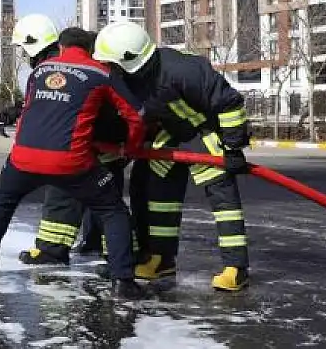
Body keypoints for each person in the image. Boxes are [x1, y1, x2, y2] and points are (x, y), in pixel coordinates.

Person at [0, 14, 147, 299]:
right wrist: (132, 148)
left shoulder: (39, 72)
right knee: (113, 211)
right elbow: (136, 116)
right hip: (72, 161)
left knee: (2, 203)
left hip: (23, 158)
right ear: (92, 49)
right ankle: (122, 280)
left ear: (61, 46)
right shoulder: (102, 73)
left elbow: (31, 109)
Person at [93, 21, 252, 292]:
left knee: (222, 198)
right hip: (173, 135)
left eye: (112, 64)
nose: (109, 69)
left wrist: (234, 147)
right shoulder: (128, 79)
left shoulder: (183, 70)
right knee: (151, 188)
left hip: (207, 134)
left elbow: (229, 102)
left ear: (129, 59)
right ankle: (161, 259)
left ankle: (236, 268)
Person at [18, 27, 137, 266]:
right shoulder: (100, 68)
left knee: (78, 196)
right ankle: (107, 250)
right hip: (97, 143)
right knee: (101, 198)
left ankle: (56, 250)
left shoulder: (80, 70)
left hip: (90, 144)